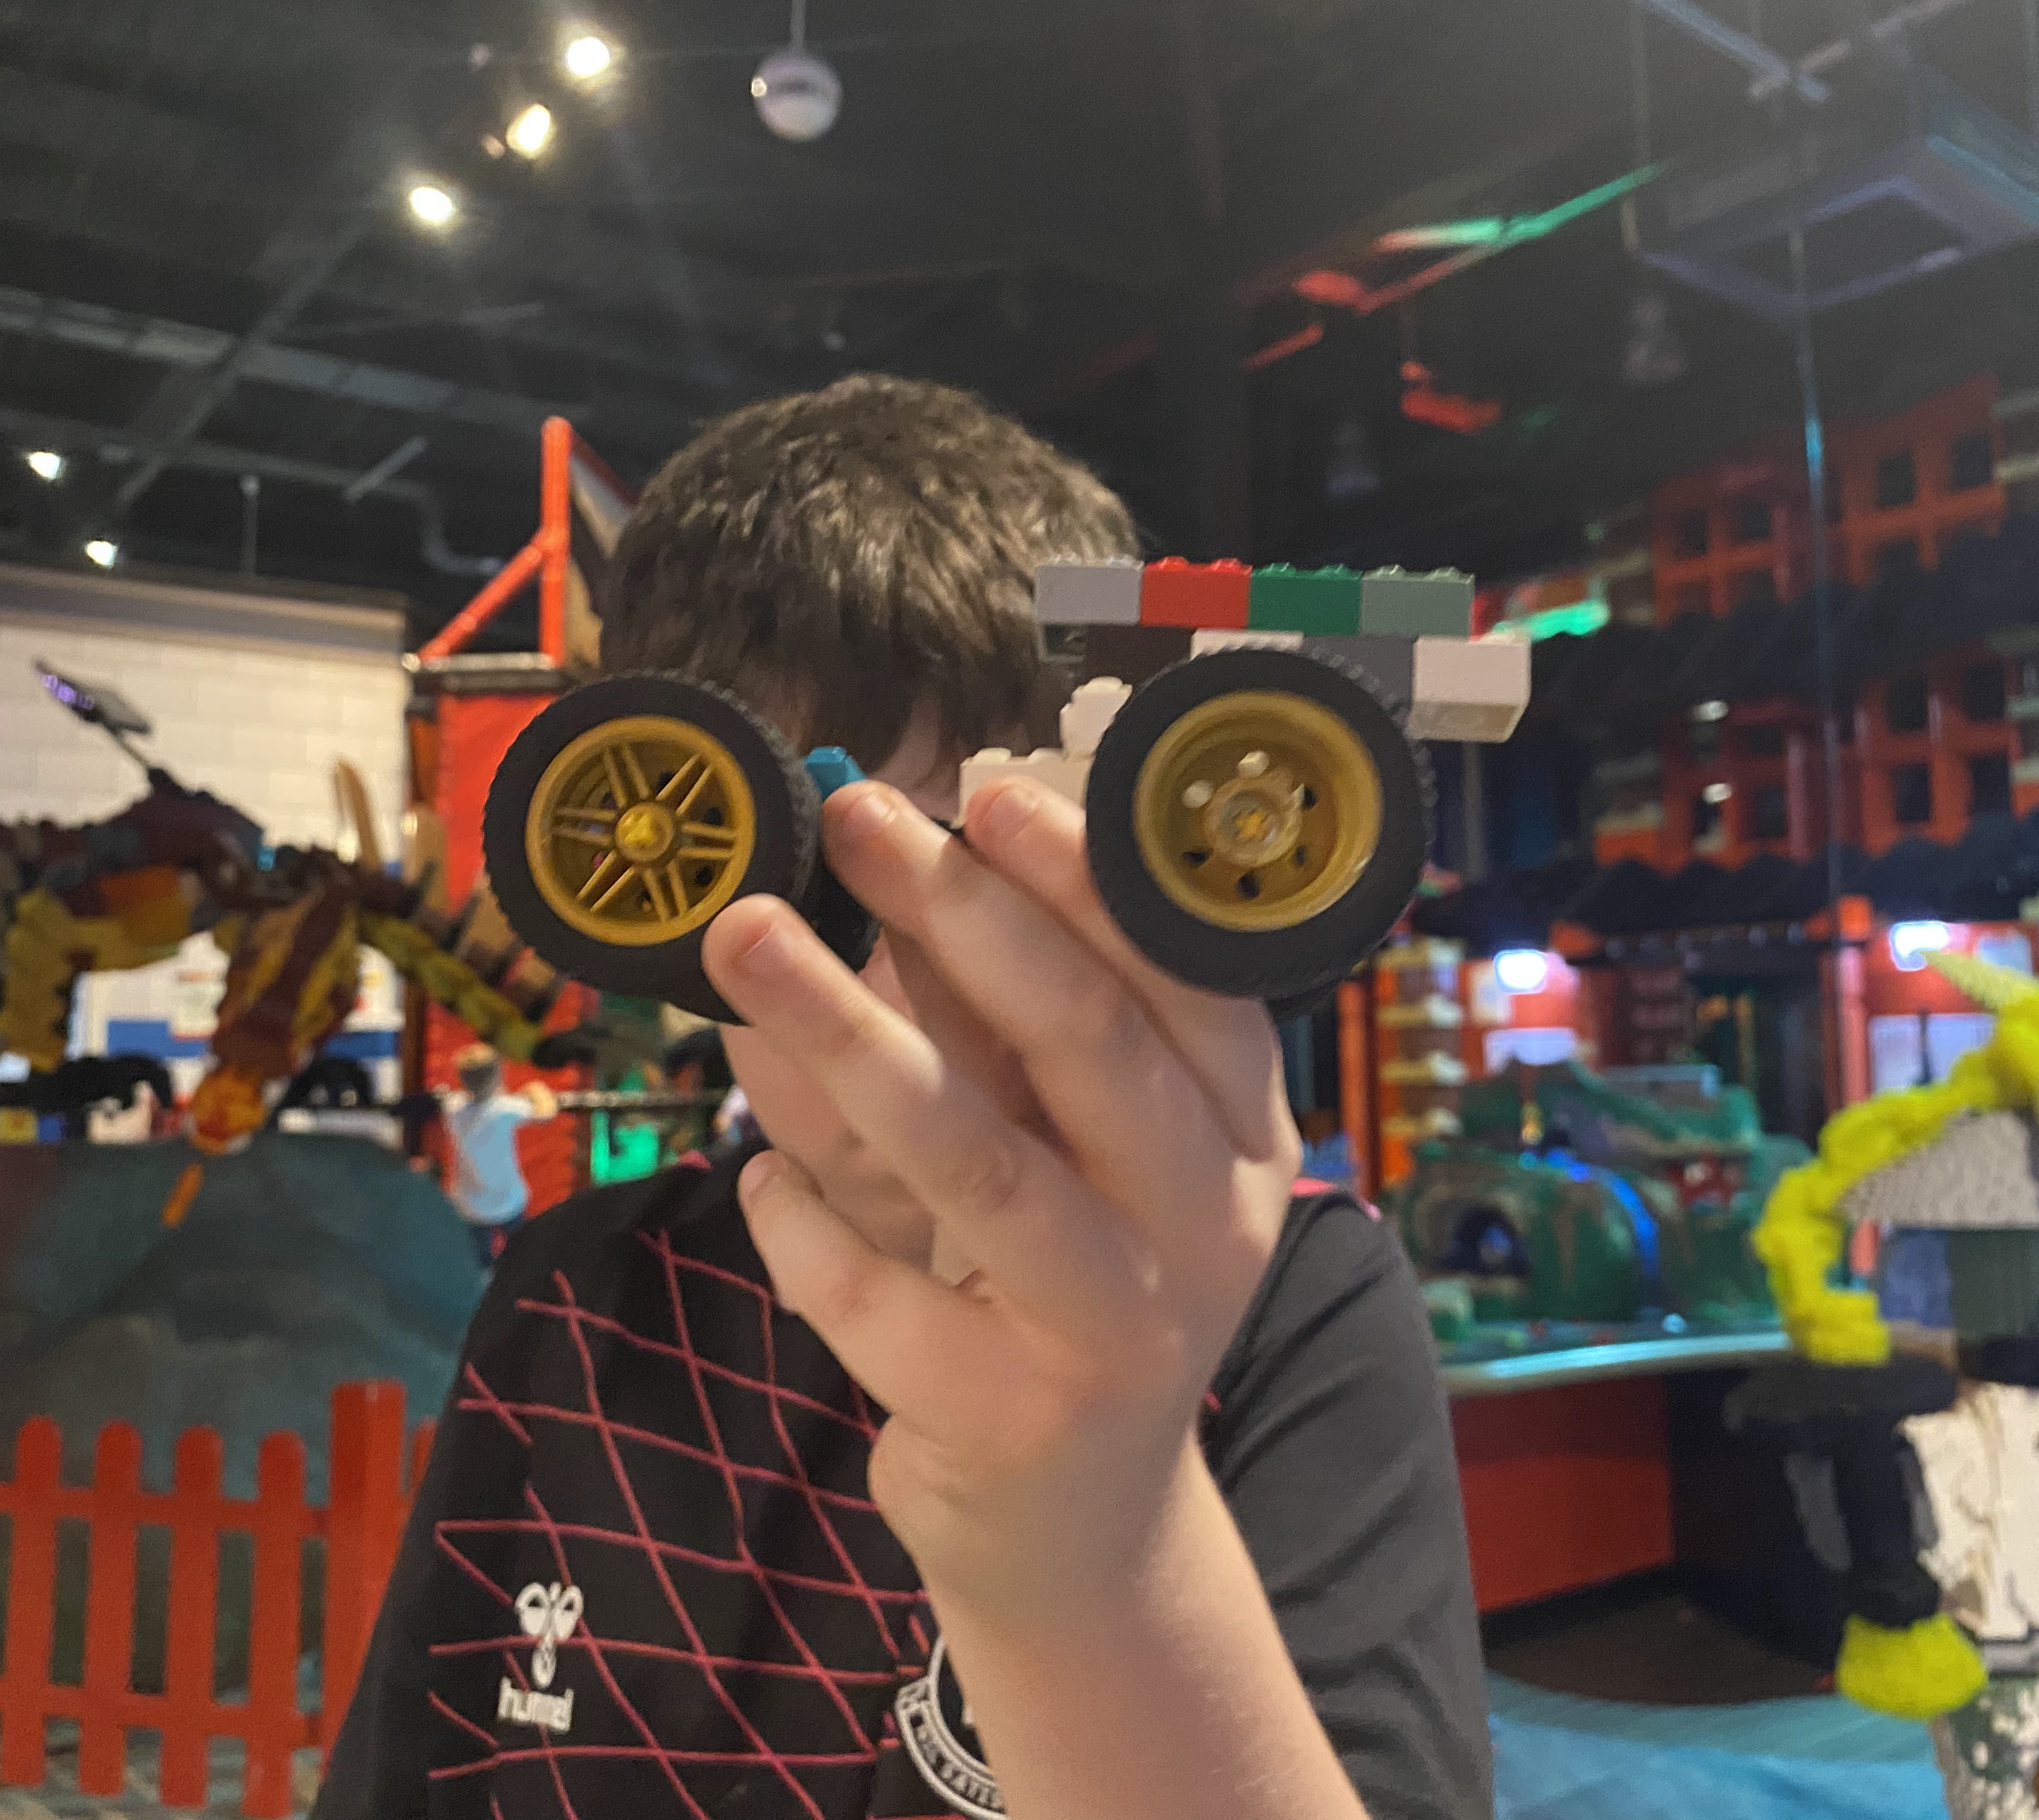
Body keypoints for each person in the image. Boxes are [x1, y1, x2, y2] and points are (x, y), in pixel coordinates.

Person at [315, 375, 1492, 1820]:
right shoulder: (582, 1295)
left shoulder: (1282, 1305)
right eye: (801, 872)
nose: (899, 980)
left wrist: (1096, 1547)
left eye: (980, 869)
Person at [439, 1044, 558, 1269]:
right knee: (524, 1250)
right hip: (508, 1201)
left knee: (480, 1260)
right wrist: (536, 1089)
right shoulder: (505, 1110)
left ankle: (486, 1286)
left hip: (471, 1206)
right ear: (498, 1077)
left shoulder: (453, 1108)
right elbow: (547, 1113)